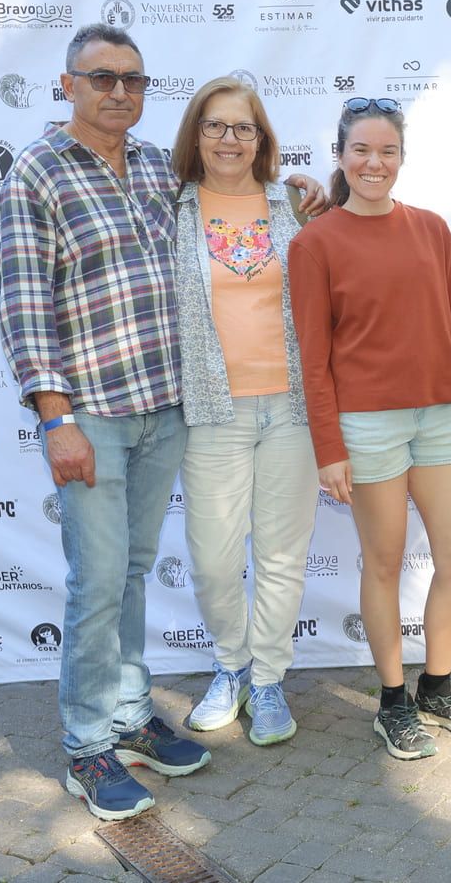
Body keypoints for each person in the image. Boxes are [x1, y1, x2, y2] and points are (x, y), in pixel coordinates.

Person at [0, 24, 208, 820]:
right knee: (97, 582)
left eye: (133, 80)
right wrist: (57, 420)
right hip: (91, 414)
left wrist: (298, 192)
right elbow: (25, 306)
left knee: (131, 573)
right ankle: (88, 747)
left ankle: (130, 715)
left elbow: (230, 216)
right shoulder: (36, 172)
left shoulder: (156, 165)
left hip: (164, 405)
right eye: (102, 78)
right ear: (68, 85)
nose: (120, 92)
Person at [288, 97, 451, 760]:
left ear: (402, 157)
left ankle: (437, 687)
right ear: (340, 156)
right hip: (366, 425)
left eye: (387, 151)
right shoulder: (314, 243)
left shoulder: (431, 230)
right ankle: (392, 701)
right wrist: (329, 448)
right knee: (383, 562)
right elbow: (313, 360)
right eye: (361, 150)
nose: (374, 163)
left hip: (438, 417)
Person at [170, 77, 316, 747]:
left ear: (262, 139)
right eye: (215, 125)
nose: (229, 139)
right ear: (195, 135)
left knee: (282, 556)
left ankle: (268, 679)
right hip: (212, 410)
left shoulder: (295, 204)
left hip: (292, 408)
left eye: (243, 127)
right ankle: (230, 666)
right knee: (214, 560)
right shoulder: (168, 206)